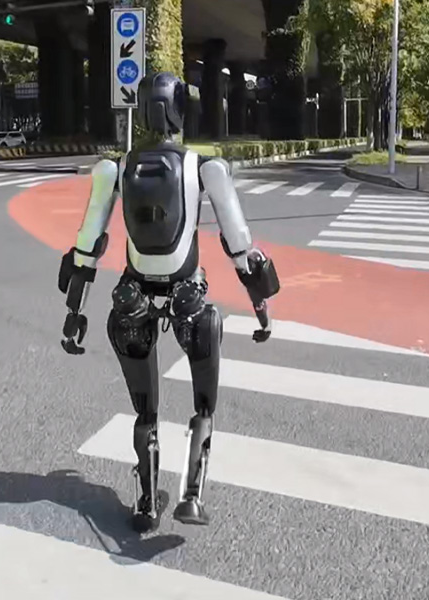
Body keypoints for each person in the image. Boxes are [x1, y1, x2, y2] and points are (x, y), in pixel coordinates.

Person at [56, 71, 280, 533]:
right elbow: (240, 244)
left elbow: (87, 244)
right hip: (189, 300)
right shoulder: (205, 167)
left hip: (132, 299)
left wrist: (74, 313)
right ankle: (192, 495)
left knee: (144, 409)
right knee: (203, 404)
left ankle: (145, 504)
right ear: (182, 109)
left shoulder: (114, 167)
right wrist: (261, 308)